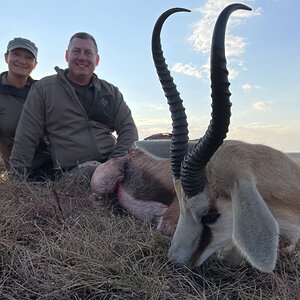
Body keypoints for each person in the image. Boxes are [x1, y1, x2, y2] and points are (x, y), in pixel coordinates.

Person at [9, 32, 138, 181]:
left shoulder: (110, 91)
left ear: (97, 59)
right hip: (74, 171)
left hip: (112, 163)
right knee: (93, 173)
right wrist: (15, 180)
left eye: (88, 53)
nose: (82, 57)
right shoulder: (43, 89)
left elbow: (129, 130)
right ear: (66, 55)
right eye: (76, 51)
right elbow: (26, 136)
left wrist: (114, 162)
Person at [0, 37, 53, 180]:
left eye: (29, 57)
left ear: (35, 64)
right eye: (16, 54)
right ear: (6, 57)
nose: (22, 61)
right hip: (20, 169)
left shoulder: (43, 91)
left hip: (52, 161)